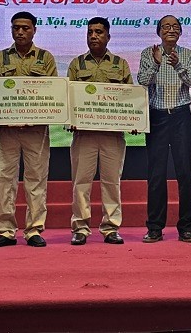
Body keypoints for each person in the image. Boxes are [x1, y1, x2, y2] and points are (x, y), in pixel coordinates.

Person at [0, 11, 57, 248]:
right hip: (6, 130)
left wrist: (35, 115)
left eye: (25, 28)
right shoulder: (0, 58)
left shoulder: (45, 58)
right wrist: (6, 115)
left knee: (36, 179)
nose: (20, 32)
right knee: (5, 179)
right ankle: (6, 231)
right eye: (16, 27)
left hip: (36, 130)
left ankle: (34, 229)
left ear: (34, 30)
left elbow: (52, 93)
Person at [67, 17, 133, 246]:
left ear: (108, 36)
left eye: (98, 32)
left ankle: (111, 227)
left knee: (111, 182)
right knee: (81, 182)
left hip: (112, 135)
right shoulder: (77, 64)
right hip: (84, 134)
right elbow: (69, 97)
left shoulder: (120, 64)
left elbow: (130, 98)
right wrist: (70, 118)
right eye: (90, 32)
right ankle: (80, 228)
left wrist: (133, 120)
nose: (93, 36)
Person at [137, 15, 191, 243]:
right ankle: (155, 227)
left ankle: (186, 227)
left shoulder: (188, 55)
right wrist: (156, 63)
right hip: (157, 117)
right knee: (156, 174)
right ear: (159, 31)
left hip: (181, 116)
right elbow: (142, 80)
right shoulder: (148, 53)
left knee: (184, 173)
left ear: (181, 32)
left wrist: (178, 66)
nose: (171, 30)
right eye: (166, 26)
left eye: (175, 26)